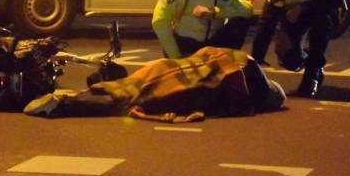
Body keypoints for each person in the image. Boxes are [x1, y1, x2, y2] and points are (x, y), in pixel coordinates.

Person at [24, 46, 286, 121]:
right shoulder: (249, 77)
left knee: (129, 86)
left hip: (174, 67)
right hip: (184, 79)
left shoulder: (239, 56)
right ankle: (64, 103)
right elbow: (234, 91)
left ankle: (67, 99)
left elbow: (206, 54)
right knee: (131, 97)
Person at [251, 0, 344, 98]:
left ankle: (312, 76)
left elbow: (334, 2)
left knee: (322, 28)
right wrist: (256, 60)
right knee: (290, 60)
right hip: (292, 18)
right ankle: (308, 60)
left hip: (319, 12)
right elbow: (268, 20)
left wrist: (303, 7)